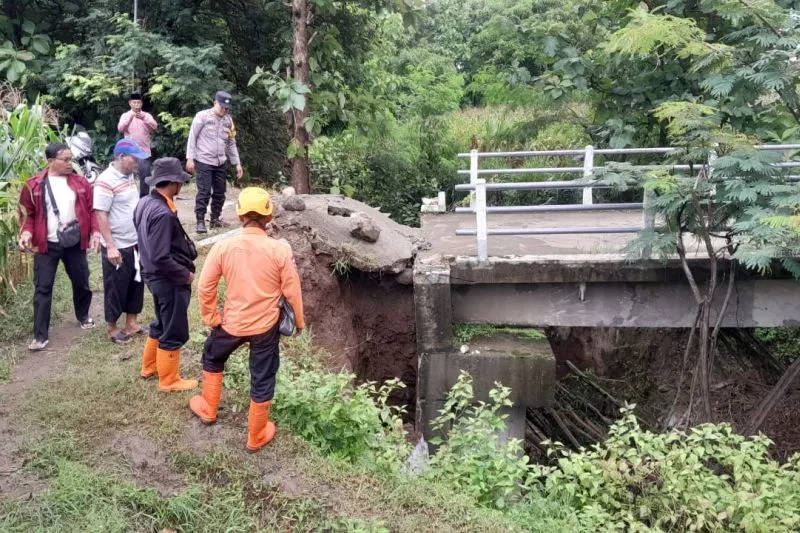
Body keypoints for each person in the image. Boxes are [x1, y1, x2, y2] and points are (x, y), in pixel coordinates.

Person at [191, 187, 305, 452]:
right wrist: (299, 322)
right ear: (269, 217)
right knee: (263, 376)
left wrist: (211, 317)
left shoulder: (223, 247)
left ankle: (208, 408)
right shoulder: (279, 251)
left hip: (232, 323)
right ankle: (256, 435)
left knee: (213, 356)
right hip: (266, 328)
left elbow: (205, 287)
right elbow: (292, 291)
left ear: (240, 216)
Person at [18, 143, 101, 351]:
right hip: (46, 244)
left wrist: (95, 232)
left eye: (71, 159)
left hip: (74, 242)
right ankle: (40, 336)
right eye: (65, 160)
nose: (70, 163)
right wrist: (26, 233)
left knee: (81, 281)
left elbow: (92, 210)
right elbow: (27, 215)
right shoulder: (33, 185)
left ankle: (83, 315)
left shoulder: (81, 183)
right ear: (50, 161)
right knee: (43, 288)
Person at [133, 157, 198, 392]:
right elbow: (161, 256)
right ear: (173, 183)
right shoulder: (163, 214)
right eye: (180, 181)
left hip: (151, 275)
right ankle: (169, 380)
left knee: (161, 321)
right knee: (173, 327)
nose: (181, 186)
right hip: (167, 278)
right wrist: (184, 275)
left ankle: (149, 367)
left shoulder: (144, 203)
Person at [94, 139, 149, 344]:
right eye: (134, 159)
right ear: (121, 157)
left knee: (136, 282)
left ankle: (131, 323)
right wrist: (110, 246)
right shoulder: (105, 180)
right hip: (118, 243)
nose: (137, 163)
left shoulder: (129, 175)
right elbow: (101, 213)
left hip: (135, 240)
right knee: (116, 286)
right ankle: (112, 327)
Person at [185, 90, 244, 234]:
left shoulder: (228, 121)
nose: (224, 110)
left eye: (227, 108)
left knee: (220, 193)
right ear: (215, 102)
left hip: (220, 162)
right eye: (222, 107)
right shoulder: (202, 116)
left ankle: (215, 219)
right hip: (204, 160)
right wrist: (190, 158)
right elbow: (192, 137)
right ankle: (200, 221)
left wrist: (237, 163)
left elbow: (231, 143)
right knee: (204, 192)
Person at [118, 92, 158, 198]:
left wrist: (144, 118)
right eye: (134, 102)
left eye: (138, 102)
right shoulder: (125, 115)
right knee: (127, 176)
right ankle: (128, 198)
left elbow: (154, 126)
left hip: (143, 151)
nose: (136, 105)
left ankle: (143, 199)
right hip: (129, 151)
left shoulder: (146, 115)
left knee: (145, 175)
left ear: (141, 104)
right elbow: (120, 128)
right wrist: (130, 118)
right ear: (130, 103)